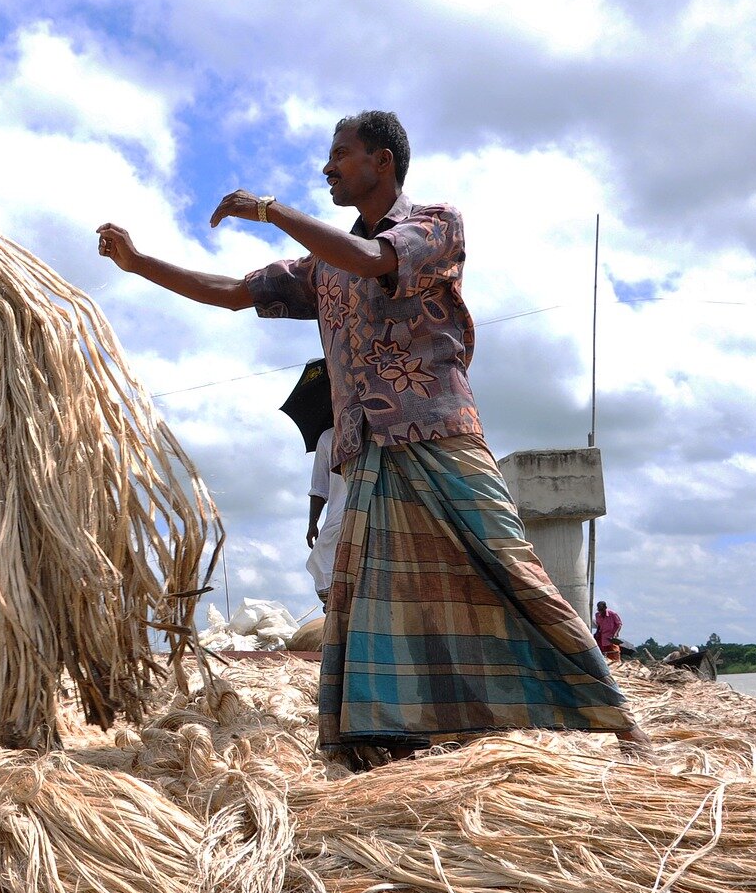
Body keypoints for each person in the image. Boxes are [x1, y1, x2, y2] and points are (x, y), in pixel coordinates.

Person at [95, 110, 648, 767]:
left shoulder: (433, 224)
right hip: (367, 450)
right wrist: (138, 264)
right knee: (368, 608)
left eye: (342, 155)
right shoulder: (321, 268)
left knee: (508, 567)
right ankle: (385, 738)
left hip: (436, 430)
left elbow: (373, 258)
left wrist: (271, 209)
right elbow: (235, 293)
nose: (329, 167)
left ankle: (614, 721)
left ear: (381, 162)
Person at [304, 426, 341, 605]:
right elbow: (319, 488)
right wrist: (313, 523)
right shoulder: (328, 437)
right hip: (340, 518)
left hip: (380, 511)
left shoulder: (384, 429)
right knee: (322, 560)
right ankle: (334, 611)